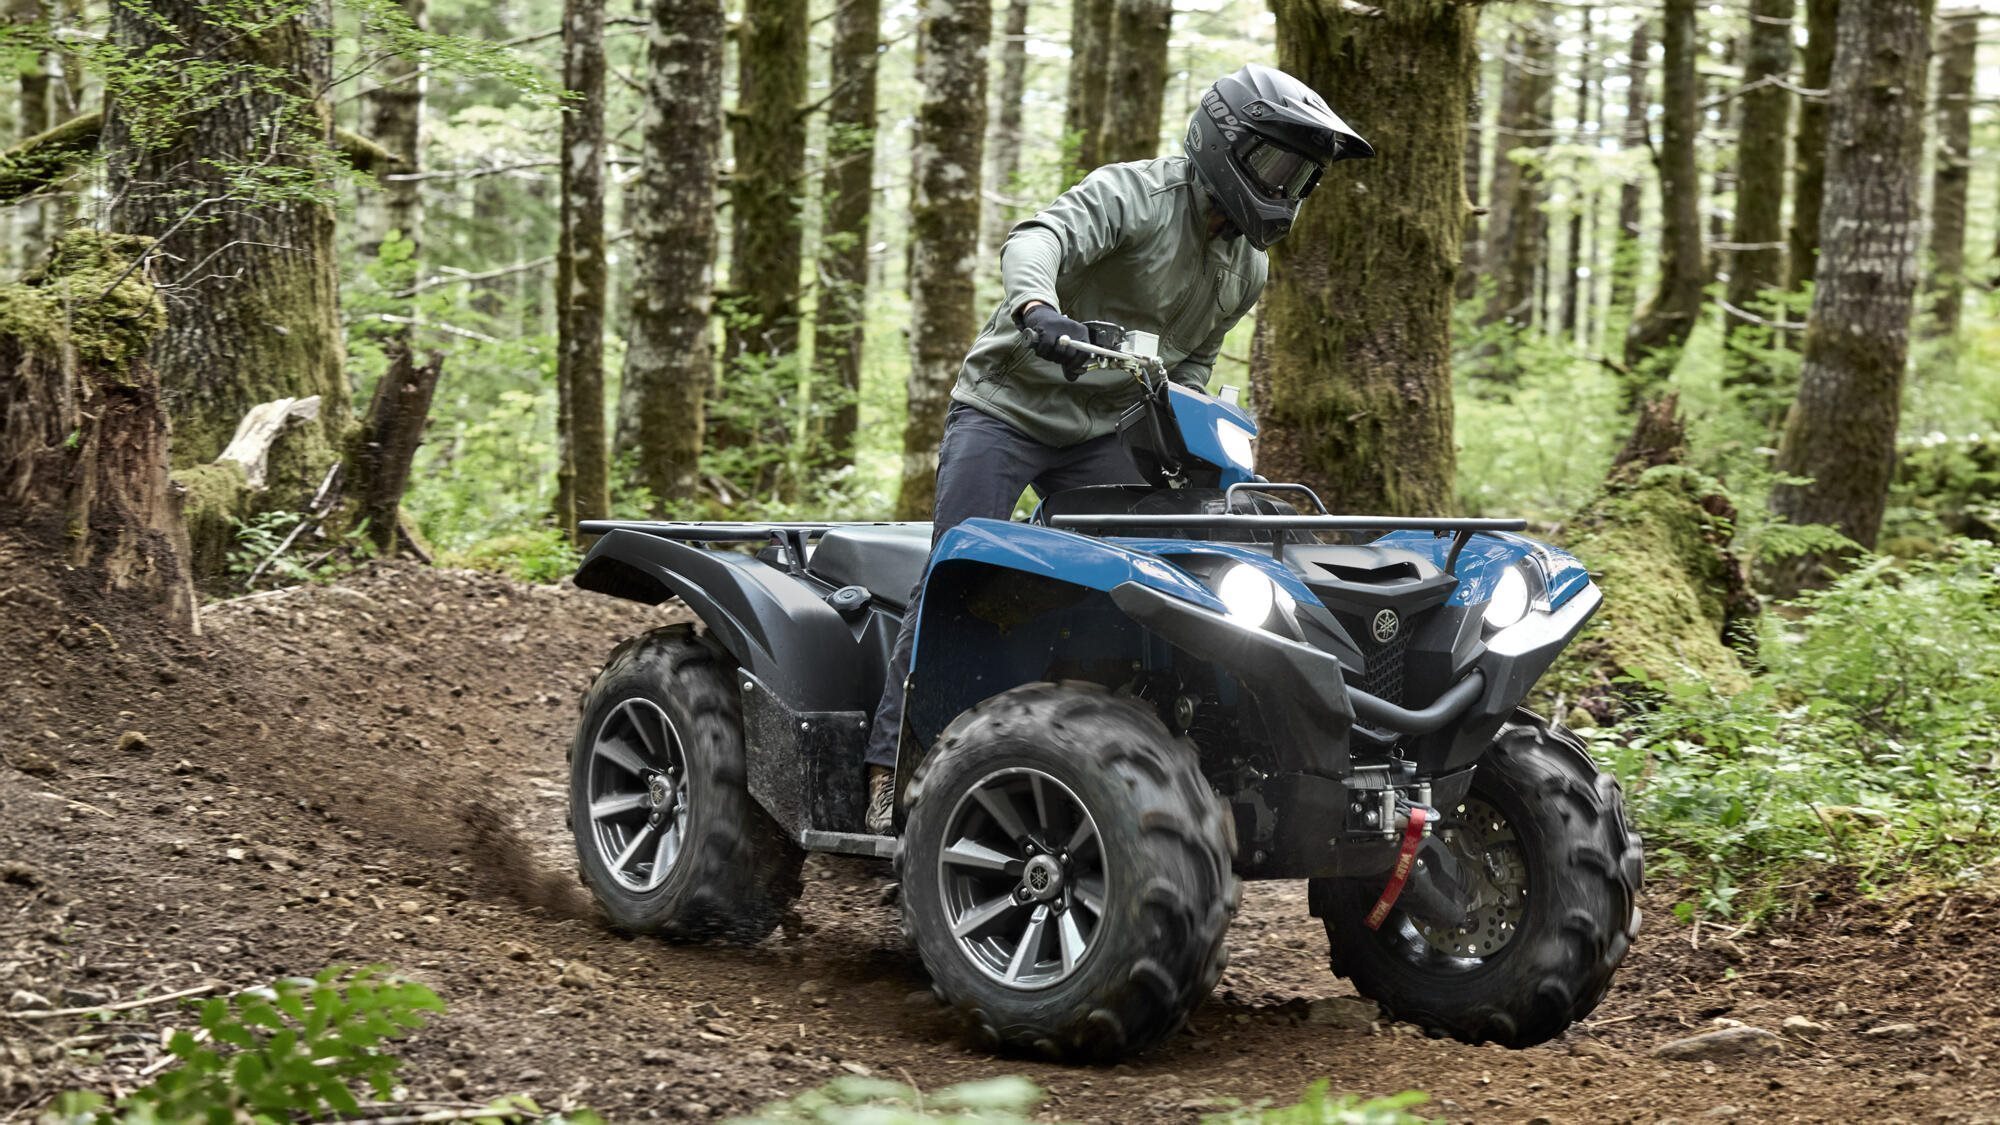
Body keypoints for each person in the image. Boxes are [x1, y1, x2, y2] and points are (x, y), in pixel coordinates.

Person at [863, 63, 1372, 832]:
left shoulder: (1248, 268)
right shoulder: (1136, 195)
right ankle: (889, 766)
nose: (1286, 187)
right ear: (1224, 143)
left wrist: (1180, 434)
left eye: (1301, 177)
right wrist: (1038, 308)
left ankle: (1104, 753)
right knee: (956, 572)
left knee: (1155, 567)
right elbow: (1039, 237)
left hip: (1103, 432)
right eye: (1276, 165)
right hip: (1006, 410)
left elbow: (1191, 365)